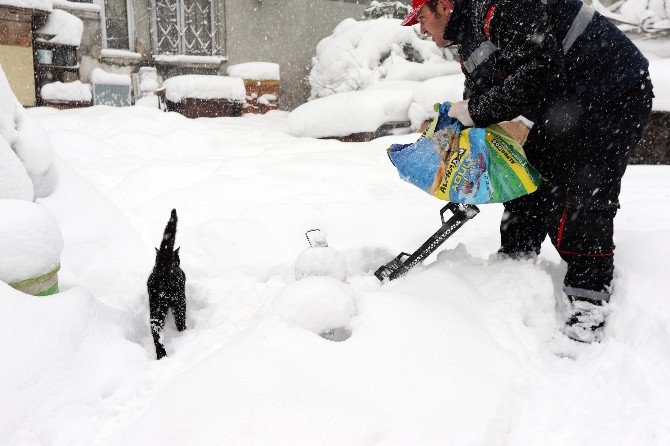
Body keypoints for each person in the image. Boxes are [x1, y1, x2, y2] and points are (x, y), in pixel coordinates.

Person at [402, 0, 653, 342]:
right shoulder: (471, 31)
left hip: (612, 91)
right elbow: (489, 89)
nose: (421, 30)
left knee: (581, 190)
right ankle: (515, 262)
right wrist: (459, 135)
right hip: (566, 98)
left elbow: (541, 69)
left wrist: (476, 111)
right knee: (524, 171)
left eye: (422, 19)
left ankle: (589, 301)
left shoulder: (502, 6)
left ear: (443, 6)